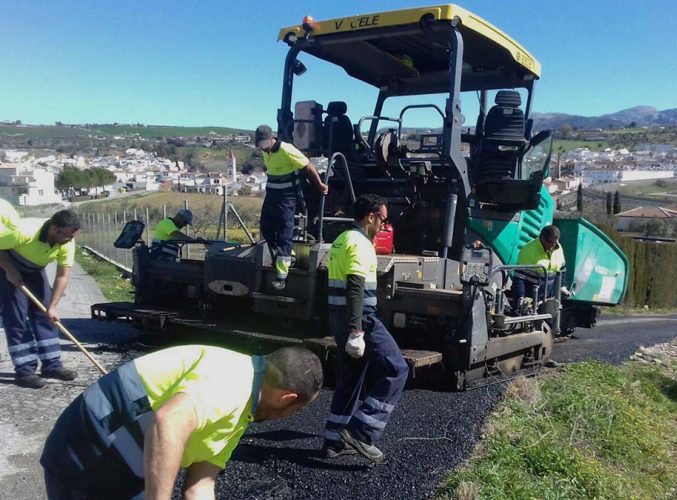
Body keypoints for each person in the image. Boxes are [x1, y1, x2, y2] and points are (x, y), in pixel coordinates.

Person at [40, 344, 323, 499]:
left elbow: (199, 486)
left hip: (124, 469)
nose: (290, 417)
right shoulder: (232, 380)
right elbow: (169, 421)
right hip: (85, 454)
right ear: (288, 398)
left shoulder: (239, 417)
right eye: (295, 411)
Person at [323, 193, 408, 463]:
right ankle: (361, 432)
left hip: (339, 316)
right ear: (371, 216)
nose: (383, 226)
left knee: (351, 375)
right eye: (382, 220)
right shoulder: (360, 244)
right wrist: (357, 331)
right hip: (361, 319)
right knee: (396, 368)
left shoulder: (340, 240)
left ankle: (333, 440)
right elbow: (355, 288)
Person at [0, 209, 81, 388]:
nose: (70, 241)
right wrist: (9, 270)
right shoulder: (23, 232)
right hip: (7, 267)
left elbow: (62, 276)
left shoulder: (67, 242)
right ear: (53, 230)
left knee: (46, 315)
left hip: (34, 270)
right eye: (67, 236)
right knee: (17, 319)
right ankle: (25, 371)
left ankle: (52, 365)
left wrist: (52, 306)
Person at [256, 124, 328, 290]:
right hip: (272, 194)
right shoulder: (265, 151)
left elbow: (308, 166)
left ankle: (282, 275)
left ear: (272, 139)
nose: (262, 148)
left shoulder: (287, 150)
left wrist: (320, 185)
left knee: (284, 230)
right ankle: (288, 255)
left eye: (264, 144)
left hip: (287, 196)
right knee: (266, 227)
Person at [512, 224, 569, 313]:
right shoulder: (528, 251)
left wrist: (563, 286)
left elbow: (562, 268)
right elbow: (519, 278)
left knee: (549, 323)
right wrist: (521, 297)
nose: (552, 246)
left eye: (554, 243)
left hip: (548, 294)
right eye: (549, 242)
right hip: (530, 293)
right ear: (541, 237)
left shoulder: (558, 248)